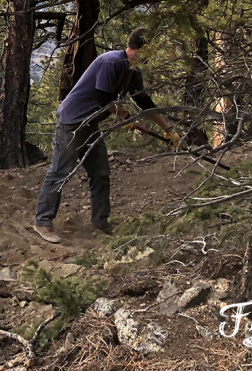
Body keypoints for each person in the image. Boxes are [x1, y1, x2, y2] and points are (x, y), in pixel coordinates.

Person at [33, 27, 180, 244]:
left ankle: (100, 221)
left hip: (91, 123)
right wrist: (124, 116)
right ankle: (42, 222)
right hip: (72, 121)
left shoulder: (133, 72)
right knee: (60, 172)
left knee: (100, 172)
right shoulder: (111, 62)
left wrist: (168, 129)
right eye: (151, 50)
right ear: (141, 48)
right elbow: (104, 99)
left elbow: (145, 102)